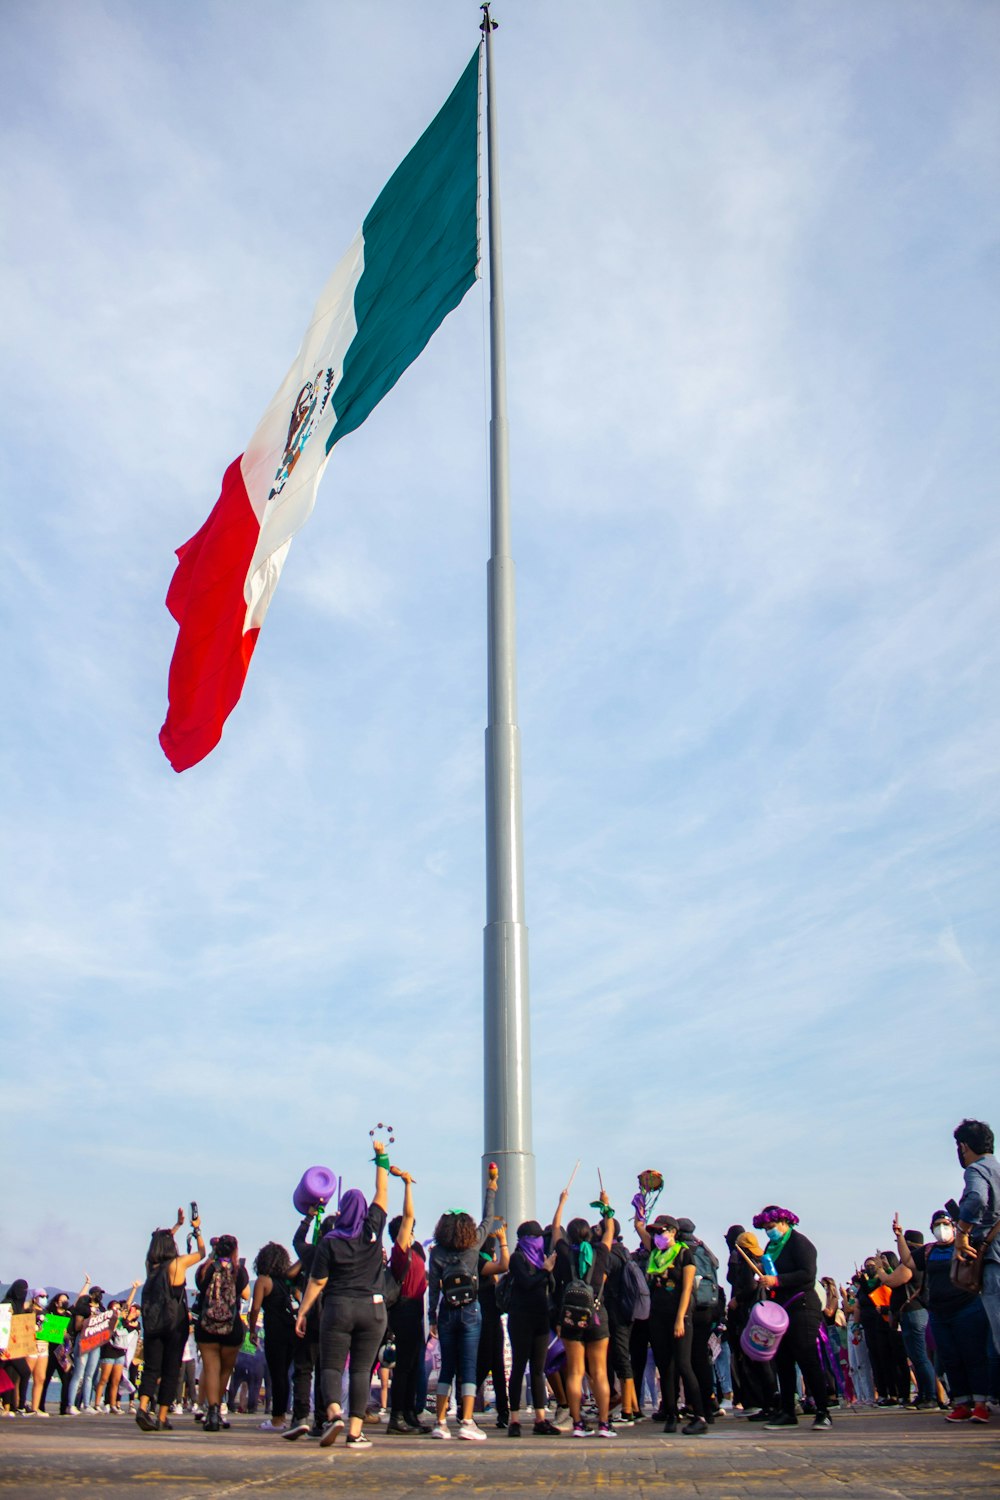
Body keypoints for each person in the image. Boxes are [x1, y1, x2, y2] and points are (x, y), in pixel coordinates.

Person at [295, 1137, 401, 1450]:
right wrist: (382, 1158)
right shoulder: (372, 1232)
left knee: (330, 1366)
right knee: (360, 1370)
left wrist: (303, 1312)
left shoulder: (331, 1241)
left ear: (341, 1212)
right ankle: (355, 1433)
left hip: (338, 1308)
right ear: (364, 1211)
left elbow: (317, 1282)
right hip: (372, 1310)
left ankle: (333, 1412)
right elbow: (382, 1192)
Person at [895, 1207, 991, 1424]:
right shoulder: (928, 1251)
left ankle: (981, 1405)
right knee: (950, 1358)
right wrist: (899, 1237)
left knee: (973, 1357)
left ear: (954, 1227)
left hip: (968, 1307)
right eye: (937, 1225)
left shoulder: (966, 1245)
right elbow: (909, 1263)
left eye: (945, 1224)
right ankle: (961, 1404)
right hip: (938, 1312)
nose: (942, 1229)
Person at [426, 1163, 499, 1441]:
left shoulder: (436, 1254)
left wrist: (432, 1317)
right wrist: (491, 1186)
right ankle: (467, 1422)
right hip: (471, 1309)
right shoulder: (473, 1247)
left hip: (446, 1311)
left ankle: (440, 1422)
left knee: (447, 1366)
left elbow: (434, 1288)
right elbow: (488, 1219)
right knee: (468, 1366)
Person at [752, 1204, 831, 1431]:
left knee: (807, 1357)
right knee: (783, 1360)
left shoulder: (800, 1243)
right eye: (765, 1228)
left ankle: (822, 1410)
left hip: (802, 1305)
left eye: (772, 1226)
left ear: (785, 1223)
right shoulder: (771, 1247)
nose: (769, 1231)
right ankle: (787, 1410)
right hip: (780, 1309)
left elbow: (808, 1274)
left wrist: (778, 1281)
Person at [635, 1212, 707, 1435]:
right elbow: (639, 1227)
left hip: (679, 1316)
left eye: (661, 1231)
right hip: (657, 1316)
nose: (657, 1235)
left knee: (684, 1365)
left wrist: (680, 1318)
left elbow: (687, 1289)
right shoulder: (656, 1253)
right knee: (665, 1367)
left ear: (673, 1232)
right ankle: (671, 1414)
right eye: (655, 1232)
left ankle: (700, 1416)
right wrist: (639, 1205)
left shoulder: (685, 1254)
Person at [554, 1187, 617, 1438]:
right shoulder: (601, 1252)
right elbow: (610, 1230)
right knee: (599, 1371)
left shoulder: (564, 1252)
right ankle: (603, 1423)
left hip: (570, 1318)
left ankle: (578, 1424)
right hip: (597, 1316)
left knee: (575, 1372)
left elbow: (556, 1227)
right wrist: (605, 1205)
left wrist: (561, 1203)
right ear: (590, 1234)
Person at [138, 1207, 205, 1431]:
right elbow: (203, 1253)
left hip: (152, 1324)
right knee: (170, 1370)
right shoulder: (178, 1264)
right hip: (174, 1325)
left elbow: (158, 1242)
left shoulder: (151, 1266)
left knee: (151, 1368)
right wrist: (197, 1231)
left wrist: (175, 1227)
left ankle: (142, 1407)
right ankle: (162, 1416)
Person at [505, 1218, 560, 1436]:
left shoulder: (541, 1259)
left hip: (540, 1318)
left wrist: (548, 1270)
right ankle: (515, 1419)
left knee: (538, 1369)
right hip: (520, 1318)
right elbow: (527, 1284)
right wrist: (545, 1271)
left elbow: (550, 1288)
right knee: (518, 1366)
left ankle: (540, 1418)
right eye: (537, 1238)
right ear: (527, 1239)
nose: (540, 1242)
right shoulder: (517, 1258)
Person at [385, 1171, 430, 1435]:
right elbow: (409, 1216)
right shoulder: (400, 1253)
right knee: (404, 1367)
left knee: (414, 1365)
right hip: (403, 1309)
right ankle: (397, 1416)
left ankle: (410, 1413)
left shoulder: (417, 1252)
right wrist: (407, 1186)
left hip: (416, 1310)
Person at [953, 1118, 1000, 1358]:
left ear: (963, 1147)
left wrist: (961, 1233)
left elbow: (977, 1199)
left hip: (995, 1257)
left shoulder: (977, 1170)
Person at [194, 1233, 249, 1432]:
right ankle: (218, 1410)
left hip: (207, 1326)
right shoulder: (240, 1272)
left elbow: (201, 1287)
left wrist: (212, 1258)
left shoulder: (205, 1269)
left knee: (211, 1369)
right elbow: (243, 1292)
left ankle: (212, 1411)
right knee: (225, 1370)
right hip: (231, 1327)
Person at [248, 1243, 301, 1432]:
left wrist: (252, 1330)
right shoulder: (288, 1281)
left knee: (277, 1374)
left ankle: (278, 1419)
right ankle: (287, 1415)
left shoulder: (263, 1280)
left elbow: (255, 1308)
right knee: (286, 1375)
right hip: (291, 1330)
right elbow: (300, 1299)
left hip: (274, 1331)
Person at [474, 1226, 510, 1431]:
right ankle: (465, 1408)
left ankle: (503, 1411)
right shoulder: (480, 1262)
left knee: (496, 1367)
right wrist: (503, 1241)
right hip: (486, 1321)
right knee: (484, 1365)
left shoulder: (482, 1261)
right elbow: (503, 1266)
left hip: (492, 1320)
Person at [94, 1284, 140, 1412]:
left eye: (119, 1308)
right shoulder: (107, 1319)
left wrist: (134, 1289)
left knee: (116, 1380)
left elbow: (127, 1306)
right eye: (115, 1308)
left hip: (120, 1351)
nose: (118, 1310)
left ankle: (113, 1404)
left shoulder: (123, 1320)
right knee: (104, 1378)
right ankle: (98, 1404)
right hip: (109, 1351)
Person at [66, 1282, 107, 1414]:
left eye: (100, 1294)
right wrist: (90, 1319)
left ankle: (86, 1404)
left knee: (90, 1374)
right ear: (91, 1295)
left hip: (96, 1341)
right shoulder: (83, 1307)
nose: (99, 1296)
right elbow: (78, 1326)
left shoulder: (102, 1309)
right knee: (79, 1373)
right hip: (83, 1339)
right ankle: (71, 1404)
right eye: (97, 1293)